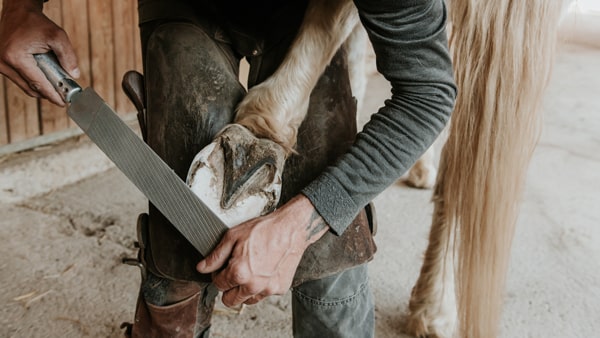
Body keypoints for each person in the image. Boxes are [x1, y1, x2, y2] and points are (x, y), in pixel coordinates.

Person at [0, 0, 456, 337]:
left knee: (328, 240)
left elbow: (428, 93)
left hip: (315, 10)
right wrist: (21, 7)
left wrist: (303, 221)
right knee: (186, 196)